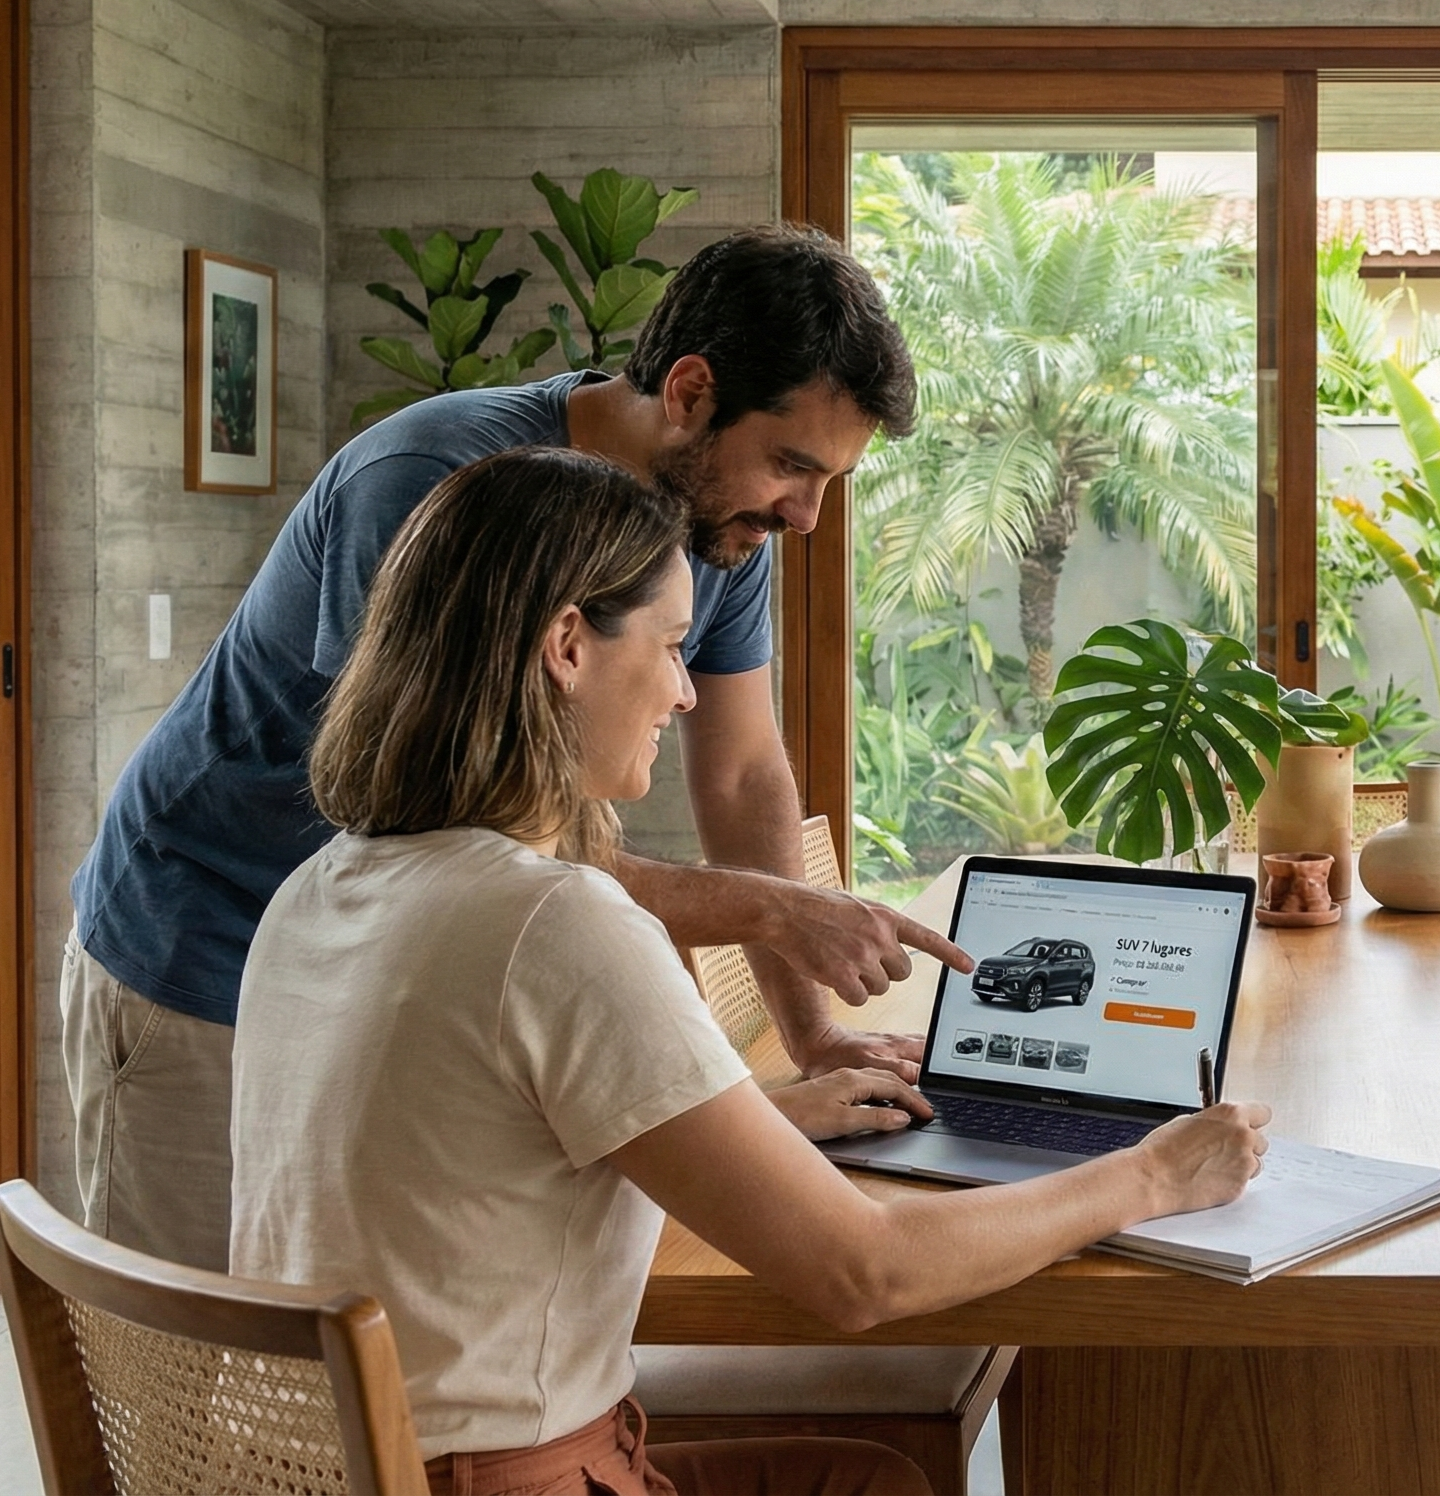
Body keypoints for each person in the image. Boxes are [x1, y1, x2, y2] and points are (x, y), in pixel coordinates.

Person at [232, 448, 1269, 1496]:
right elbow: (865, 1272)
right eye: (674, 646)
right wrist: (1152, 1174)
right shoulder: (553, 920)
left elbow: (466, 1157)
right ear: (566, 648)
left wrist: (749, 1116)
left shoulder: (321, 888)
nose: (684, 692)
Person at [66, 225, 974, 1270]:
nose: (806, 516)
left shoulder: (719, 526)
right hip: (204, 940)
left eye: (829, 481)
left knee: (360, 1352)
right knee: (194, 1364)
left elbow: (741, 772)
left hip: (396, 968)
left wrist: (811, 1035)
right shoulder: (438, 483)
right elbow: (444, 829)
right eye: (790, 464)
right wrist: (771, 908)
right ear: (687, 394)